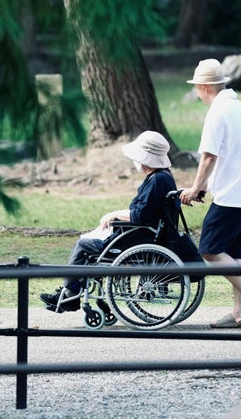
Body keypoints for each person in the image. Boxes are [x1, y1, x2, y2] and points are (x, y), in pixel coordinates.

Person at [40, 130, 177, 312]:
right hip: (144, 235)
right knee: (89, 240)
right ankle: (72, 290)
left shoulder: (157, 180)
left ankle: (69, 295)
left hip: (137, 238)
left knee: (81, 246)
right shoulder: (163, 177)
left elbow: (141, 215)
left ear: (145, 158)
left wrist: (116, 214)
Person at [179, 59, 241, 329]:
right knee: (236, 254)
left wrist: (195, 188)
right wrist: (207, 186)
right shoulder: (238, 108)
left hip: (232, 197)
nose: (196, 91)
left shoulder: (218, 112)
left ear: (204, 86)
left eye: (196, 87)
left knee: (210, 249)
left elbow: (209, 156)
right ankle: (240, 314)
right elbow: (232, 156)